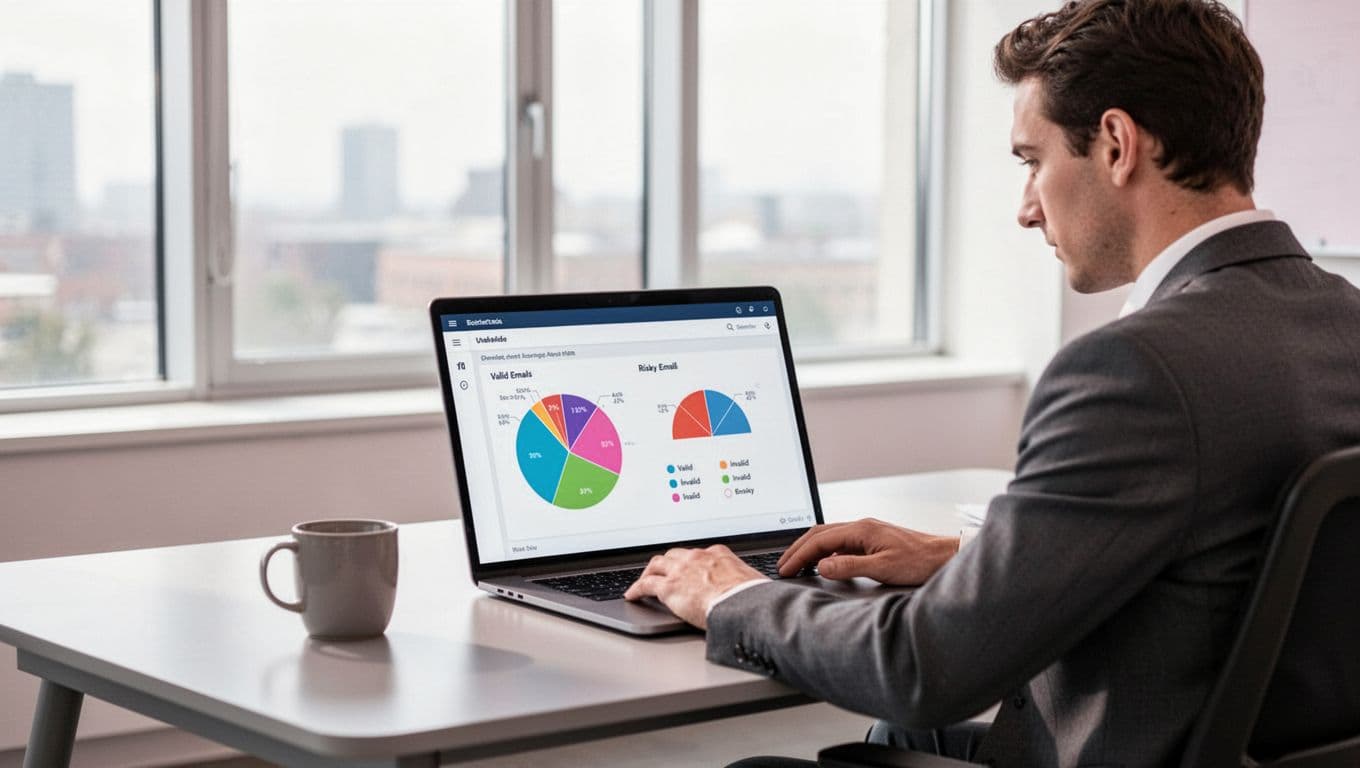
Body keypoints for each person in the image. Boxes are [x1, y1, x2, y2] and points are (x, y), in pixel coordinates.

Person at [624, 0, 1360, 765]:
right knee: (905, 744)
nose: (1024, 209)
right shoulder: (1344, 322)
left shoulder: (1135, 372)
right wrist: (966, 562)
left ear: (1115, 144)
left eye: (1031, 161)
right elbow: (1230, 560)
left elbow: (920, 669)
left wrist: (729, 595)